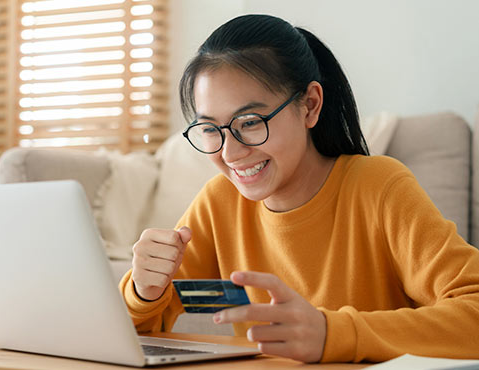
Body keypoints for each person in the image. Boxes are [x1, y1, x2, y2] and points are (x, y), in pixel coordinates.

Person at [119, 14, 479, 363]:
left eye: (250, 122)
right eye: (211, 129)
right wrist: (142, 292)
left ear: (310, 105)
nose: (231, 152)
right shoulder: (219, 202)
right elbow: (144, 329)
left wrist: (332, 332)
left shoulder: (378, 187)